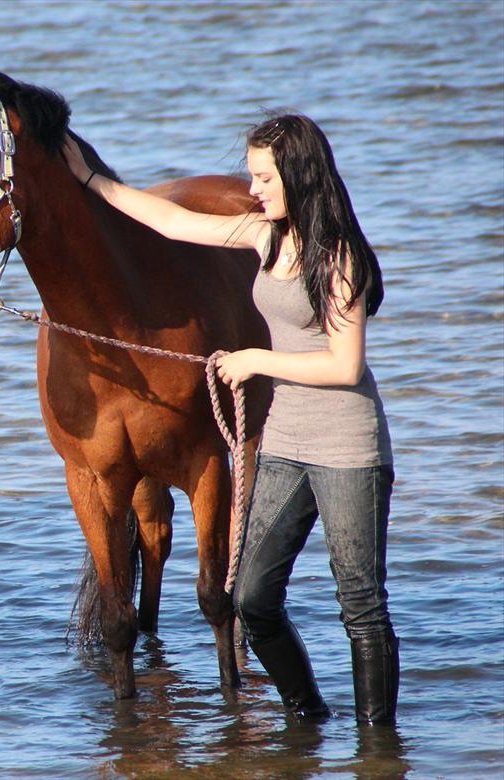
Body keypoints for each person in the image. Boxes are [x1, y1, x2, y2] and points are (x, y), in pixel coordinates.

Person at [62, 114, 398, 725]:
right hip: (285, 443)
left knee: (361, 605)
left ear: (296, 176)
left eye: (264, 176)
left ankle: (378, 742)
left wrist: (253, 360)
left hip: (346, 443)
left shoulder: (340, 256)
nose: (255, 188)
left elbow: (347, 367)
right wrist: (89, 179)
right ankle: (308, 715)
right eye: (251, 175)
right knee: (252, 597)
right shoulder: (268, 239)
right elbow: (173, 219)